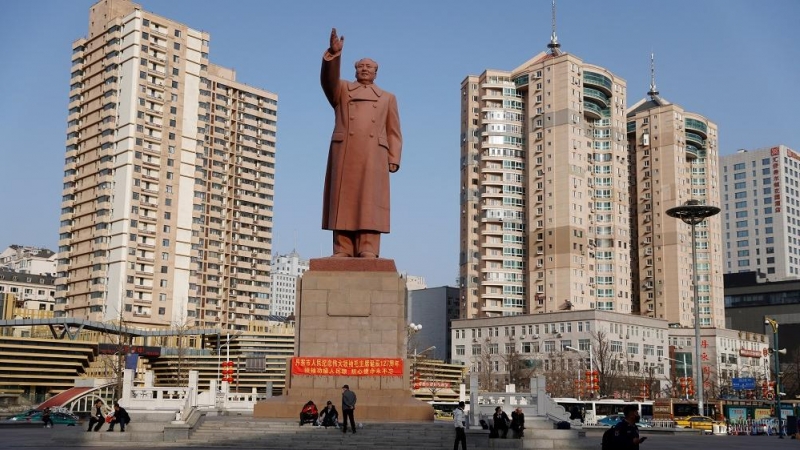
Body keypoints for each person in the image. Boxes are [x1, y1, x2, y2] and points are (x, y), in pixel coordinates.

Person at [320, 28, 403, 258]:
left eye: (369, 67)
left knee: (370, 201)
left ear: (376, 72)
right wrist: (333, 55)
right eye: (361, 66)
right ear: (354, 69)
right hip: (346, 150)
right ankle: (342, 248)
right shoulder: (343, 90)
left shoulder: (387, 97)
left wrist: (394, 157)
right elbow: (327, 81)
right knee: (343, 200)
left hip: (374, 154)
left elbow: (394, 130)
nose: (365, 70)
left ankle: (368, 247)